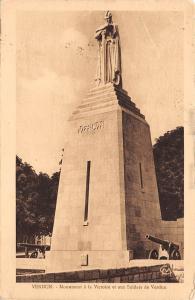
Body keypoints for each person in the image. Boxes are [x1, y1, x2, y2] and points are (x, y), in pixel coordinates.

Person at [94, 11, 122, 86]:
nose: (107, 20)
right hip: (104, 49)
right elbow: (95, 36)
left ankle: (111, 79)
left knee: (111, 64)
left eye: (108, 19)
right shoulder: (102, 27)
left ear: (110, 18)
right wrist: (102, 31)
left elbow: (116, 37)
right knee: (103, 65)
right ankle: (104, 81)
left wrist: (107, 27)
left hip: (111, 48)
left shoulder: (114, 26)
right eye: (106, 19)